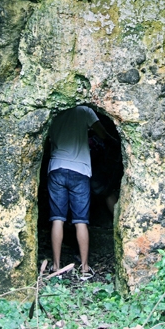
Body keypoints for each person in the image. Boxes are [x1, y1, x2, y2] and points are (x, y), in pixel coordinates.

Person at [47, 105, 117, 278]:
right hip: (80, 170)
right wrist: (115, 141)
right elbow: (102, 134)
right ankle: (85, 269)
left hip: (56, 168)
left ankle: (56, 267)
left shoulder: (55, 111)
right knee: (81, 221)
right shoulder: (85, 111)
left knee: (57, 219)